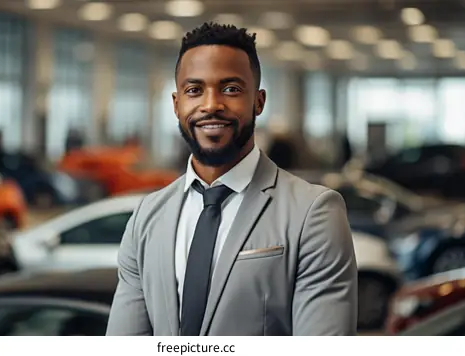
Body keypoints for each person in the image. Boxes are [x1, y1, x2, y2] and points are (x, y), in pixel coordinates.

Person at [106, 22, 358, 336]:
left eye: (231, 89)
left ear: (259, 101)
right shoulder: (147, 216)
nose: (211, 105)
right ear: (176, 104)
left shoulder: (314, 213)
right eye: (194, 90)